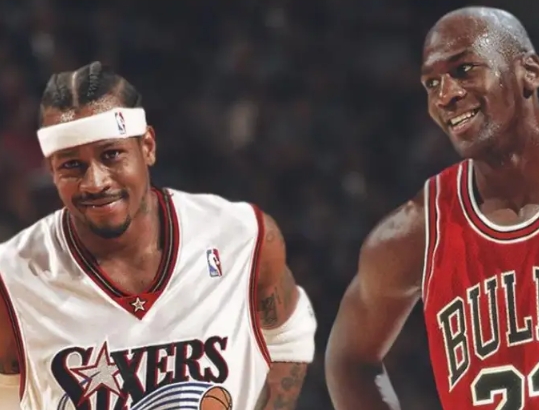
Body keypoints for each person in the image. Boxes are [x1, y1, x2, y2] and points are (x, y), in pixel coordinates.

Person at [326, 6, 539, 410]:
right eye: (431, 83)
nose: (445, 95)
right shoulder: (417, 231)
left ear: (529, 72)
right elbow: (348, 360)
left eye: (464, 70)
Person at [0, 61, 317, 410]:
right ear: (51, 170)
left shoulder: (241, 235)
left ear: (148, 146)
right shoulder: (12, 277)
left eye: (111, 155)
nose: (95, 182)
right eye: (71, 165)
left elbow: (289, 340)